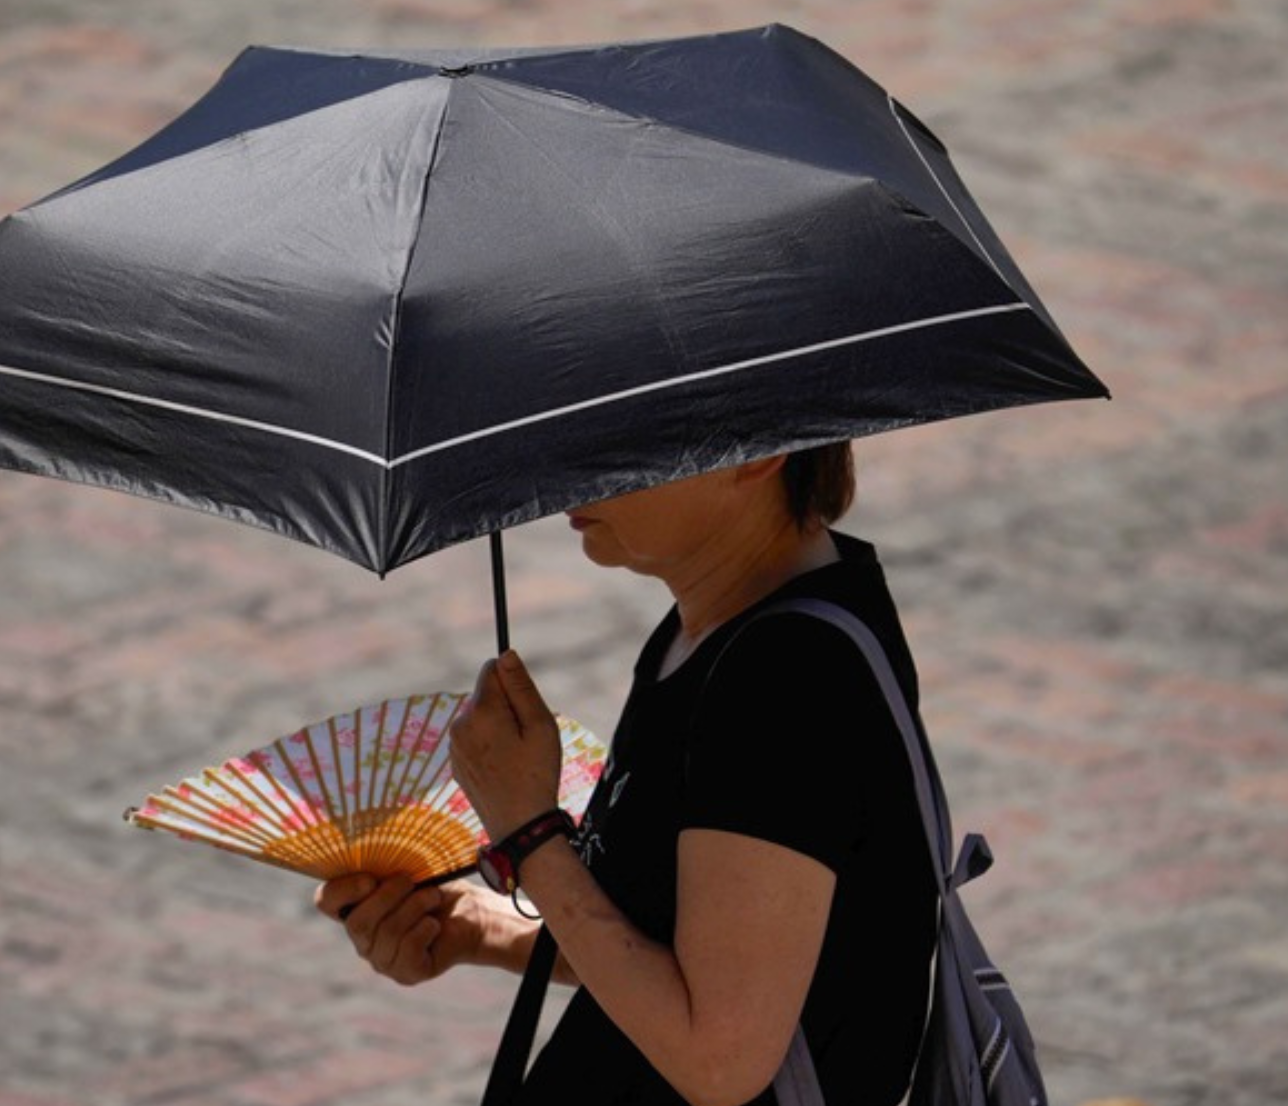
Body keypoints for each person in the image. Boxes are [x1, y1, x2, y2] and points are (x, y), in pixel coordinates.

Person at [314, 443, 939, 1106]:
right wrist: (480, 926)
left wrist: (528, 832)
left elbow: (719, 1061)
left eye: (619, 437)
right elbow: (672, 935)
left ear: (758, 454)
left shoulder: (785, 676)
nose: (566, 472)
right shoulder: (712, 625)